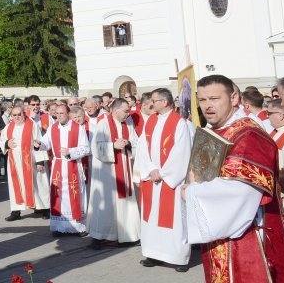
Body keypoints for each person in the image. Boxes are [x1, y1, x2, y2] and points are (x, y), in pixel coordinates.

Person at [183, 74, 284, 281]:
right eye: (202, 100)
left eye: (214, 98)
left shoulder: (250, 135)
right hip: (221, 235)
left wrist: (192, 192)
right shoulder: (215, 129)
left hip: (248, 239)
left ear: (234, 98)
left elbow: (240, 192)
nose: (207, 106)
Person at [133, 88, 192, 272]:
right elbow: (142, 147)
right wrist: (151, 169)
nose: (151, 104)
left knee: (173, 219)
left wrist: (164, 173)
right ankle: (153, 253)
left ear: (165, 102)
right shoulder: (151, 120)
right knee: (151, 219)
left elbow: (182, 152)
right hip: (152, 178)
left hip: (170, 180)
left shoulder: (180, 123)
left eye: (155, 100)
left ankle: (178, 258)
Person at [86, 99, 140, 249]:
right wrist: (113, 146)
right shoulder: (103, 123)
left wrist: (128, 144)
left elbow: (136, 143)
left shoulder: (128, 123)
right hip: (106, 173)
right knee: (106, 204)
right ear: (116, 111)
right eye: (126, 111)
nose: (128, 113)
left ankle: (127, 236)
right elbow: (96, 147)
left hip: (124, 169)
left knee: (125, 203)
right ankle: (98, 236)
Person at [38, 104, 90, 235]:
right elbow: (46, 143)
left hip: (72, 165)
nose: (59, 116)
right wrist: (39, 144)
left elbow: (86, 148)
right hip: (58, 166)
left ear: (68, 114)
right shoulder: (53, 127)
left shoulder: (78, 128)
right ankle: (58, 227)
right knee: (58, 195)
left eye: (62, 113)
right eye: (57, 113)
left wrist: (70, 151)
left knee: (75, 194)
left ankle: (78, 226)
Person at [0, 103, 50, 221]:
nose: (17, 117)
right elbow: (2, 142)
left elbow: (39, 143)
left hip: (31, 161)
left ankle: (44, 209)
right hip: (15, 163)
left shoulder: (32, 125)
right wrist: (7, 144)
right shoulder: (8, 127)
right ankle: (16, 211)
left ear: (24, 113)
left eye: (19, 114)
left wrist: (40, 162)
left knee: (39, 185)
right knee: (15, 187)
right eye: (14, 115)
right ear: (11, 116)